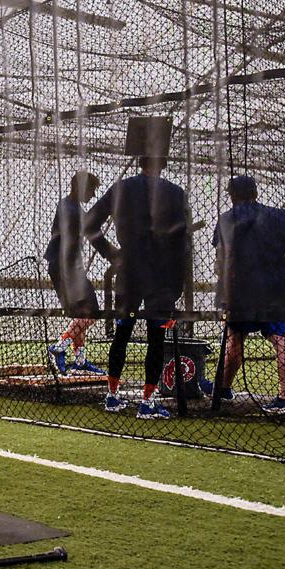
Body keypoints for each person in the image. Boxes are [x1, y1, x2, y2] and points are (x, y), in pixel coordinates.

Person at [84, 156, 190, 419]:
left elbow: (89, 223)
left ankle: (112, 395)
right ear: (163, 164)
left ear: (139, 162)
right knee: (156, 337)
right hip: (161, 274)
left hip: (129, 268)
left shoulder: (122, 188)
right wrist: (177, 286)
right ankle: (147, 401)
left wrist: (113, 254)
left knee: (122, 332)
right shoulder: (175, 193)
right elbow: (182, 243)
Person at [209, 175, 285, 414]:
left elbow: (221, 259)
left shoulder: (227, 218)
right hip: (276, 286)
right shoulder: (279, 216)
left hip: (242, 289)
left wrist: (224, 285)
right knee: (280, 339)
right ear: (255, 193)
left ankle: (224, 388)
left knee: (235, 339)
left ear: (232, 195)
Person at [44, 172, 105, 375]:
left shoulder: (72, 207)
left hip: (67, 268)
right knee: (92, 311)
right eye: (91, 190)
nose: (93, 195)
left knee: (82, 313)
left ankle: (79, 361)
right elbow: (90, 230)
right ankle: (60, 346)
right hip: (65, 268)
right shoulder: (69, 208)